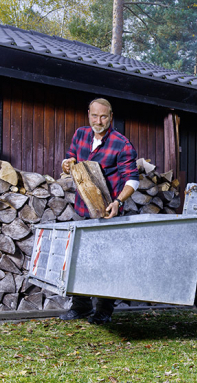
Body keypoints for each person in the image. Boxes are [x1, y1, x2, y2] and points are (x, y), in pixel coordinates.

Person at [59, 98, 140, 325]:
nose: (98, 121)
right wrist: (67, 162)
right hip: (83, 208)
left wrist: (118, 202)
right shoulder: (81, 134)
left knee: (107, 262)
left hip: (108, 212)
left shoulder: (122, 144)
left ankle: (104, 311)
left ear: (111, 116)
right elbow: (72, 157)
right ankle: (81, 307)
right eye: (94, 116)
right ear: (88, 114)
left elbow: (133, 180)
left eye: (103, 116)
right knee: (80, 259)